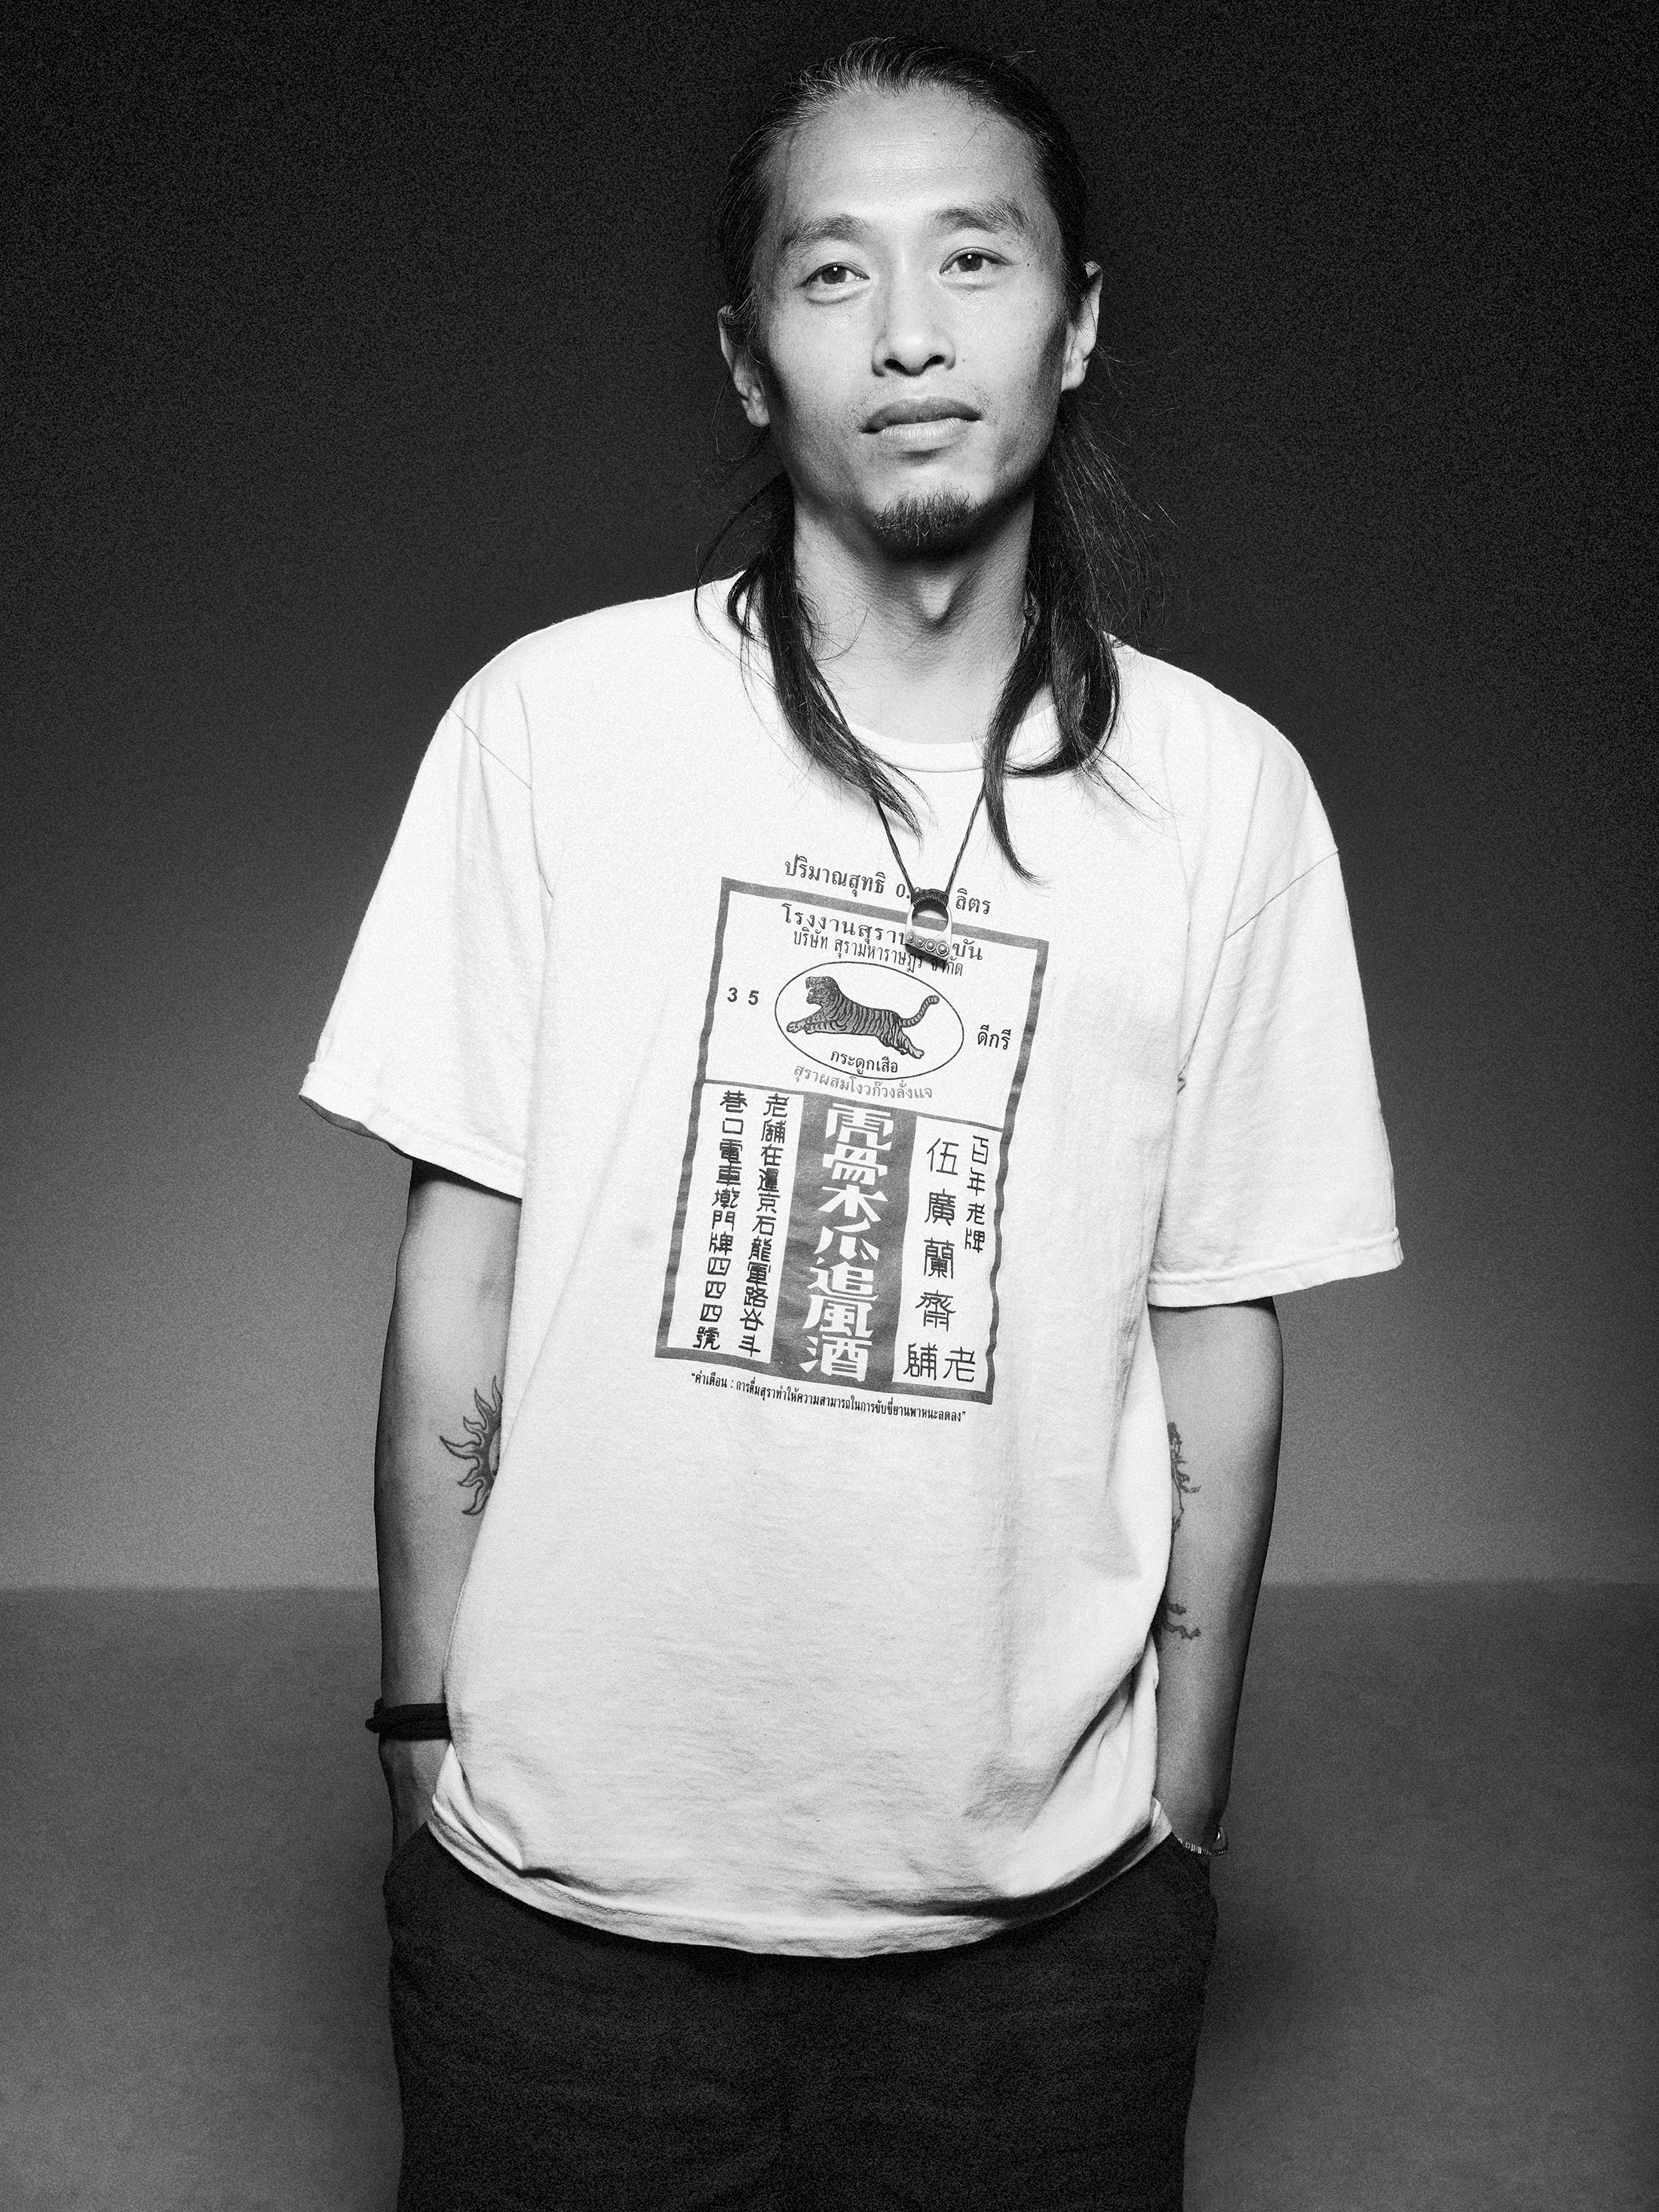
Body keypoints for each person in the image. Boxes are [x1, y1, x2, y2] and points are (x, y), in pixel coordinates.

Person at [302, 34, 1400, 2212]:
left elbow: (1218, 1330)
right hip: (558, 1909)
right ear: (746, 355)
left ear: (1075, 321)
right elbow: (460, 1268)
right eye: (833, 273)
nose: (909, 333)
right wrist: (422, 1736)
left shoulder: (1223, 796)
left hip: (1050, 1936)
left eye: (974, 259)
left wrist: (1182, 1797)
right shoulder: (556, 727)